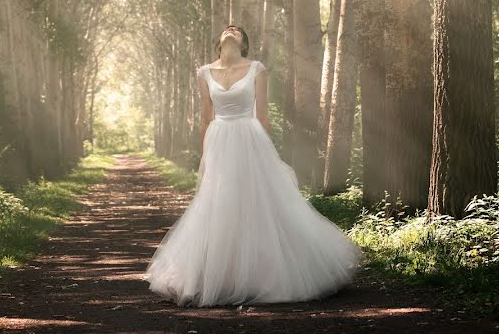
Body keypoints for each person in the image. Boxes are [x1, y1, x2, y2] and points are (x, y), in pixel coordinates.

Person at [142, 25, 364, 307]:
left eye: (237, 30)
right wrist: (205, 156)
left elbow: (262, 115)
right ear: (219, 41)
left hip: (249, 138)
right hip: (220, 140)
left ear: (244, 43)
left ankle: (264, 275)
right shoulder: (204, 72)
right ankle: (223, 277)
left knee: (256, 202)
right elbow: (206, 118)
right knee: (220, 204)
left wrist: (268, 154)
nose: (231, 30)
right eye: (227, 29)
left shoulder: (256, 69)